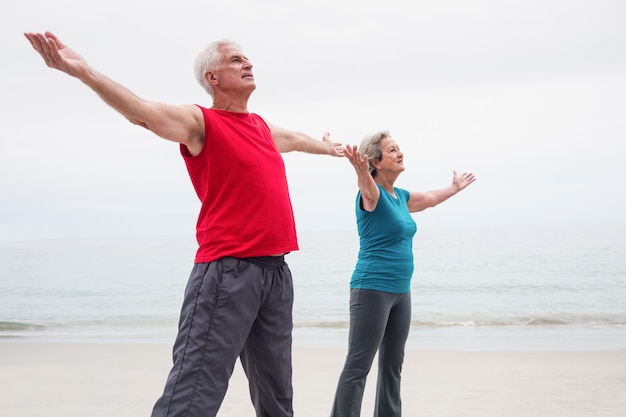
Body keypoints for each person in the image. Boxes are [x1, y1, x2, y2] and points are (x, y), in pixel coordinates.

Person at [24, 31, 344, 417]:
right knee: (194, 394)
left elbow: (294, 139)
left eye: (247, 59)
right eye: (236, 60)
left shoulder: (260, 126)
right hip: (228, 273)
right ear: (212, 77)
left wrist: (328, 148)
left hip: (275, 274)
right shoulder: (200, 121)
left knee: (277, 397)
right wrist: (85, 72)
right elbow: (140, 112)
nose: (248, 64)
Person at [331, 131, 475, 417]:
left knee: (392, 365)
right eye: (393, 150)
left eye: (399, 148)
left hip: (400, 293)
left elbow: (431, 198)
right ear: (376, 161)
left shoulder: (401, 197)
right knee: (358, 366)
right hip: (371, 290)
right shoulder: (372, 195)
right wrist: (361, 173)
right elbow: (367, 189)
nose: (400, 153)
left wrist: (455, 187)